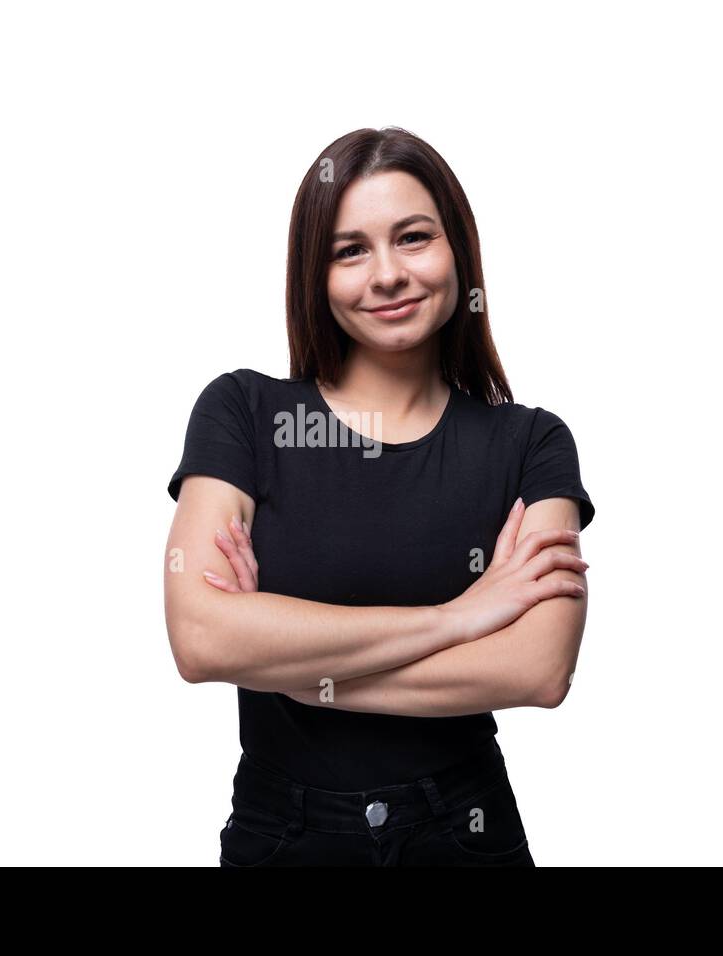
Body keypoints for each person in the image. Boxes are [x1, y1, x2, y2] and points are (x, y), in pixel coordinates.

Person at [164, 127, 595, 866]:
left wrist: (309, 680)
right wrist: (459, 618)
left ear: (457, 249)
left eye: (413, 238)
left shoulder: (531, 444)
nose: (387, 274)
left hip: (465, 829)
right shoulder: (244, 413)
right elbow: (203, 640)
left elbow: (536, 668)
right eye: (350, 250)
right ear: (315, 273)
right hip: (283, 834)